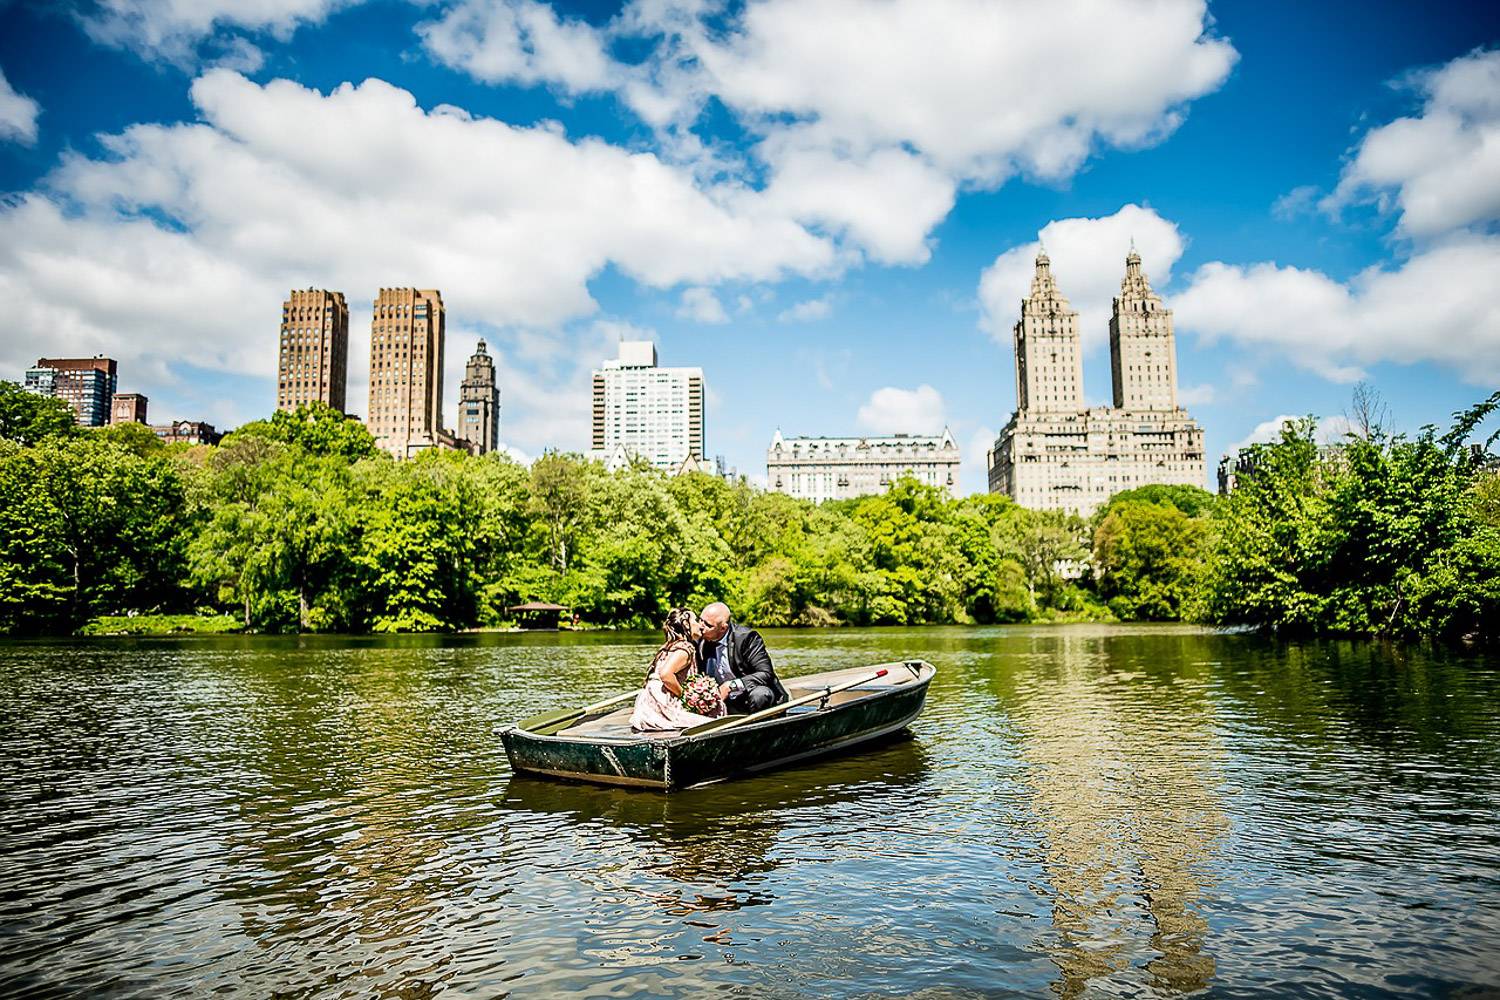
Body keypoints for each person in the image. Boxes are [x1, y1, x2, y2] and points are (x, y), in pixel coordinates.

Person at [629, 608, 726, 732]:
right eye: (696, 620)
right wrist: (686, 697)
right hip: (662, 701)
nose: (700, 625)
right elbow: (665, 675)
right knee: (713, 722)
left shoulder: (670, 645)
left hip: (648, 700)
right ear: (686, 625)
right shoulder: (685, 648)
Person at [697, 602, 788, 714]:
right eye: (700, 620)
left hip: (750, 695)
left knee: (760, 694)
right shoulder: (699, 639)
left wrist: (731, 686)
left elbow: (766, 673)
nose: (701, 626)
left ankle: (759, 728)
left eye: (708, 625)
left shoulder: (747, 638)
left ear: (723, 628)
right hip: (725, 700)